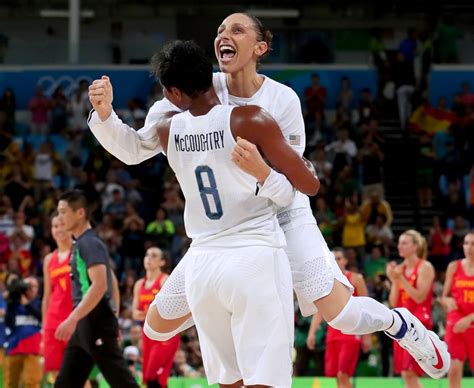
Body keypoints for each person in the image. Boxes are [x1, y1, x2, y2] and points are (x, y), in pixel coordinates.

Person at [88, 13, 450, 380]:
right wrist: (105, 116)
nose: (224, 35)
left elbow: (296, 180)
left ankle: (400, 324)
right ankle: (230, 313)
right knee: (159, 325)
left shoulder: (282, 99)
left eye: (237, 30)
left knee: (341, 315)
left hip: (283, 213)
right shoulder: (194, 87)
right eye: (219, 30)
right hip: (226, 236)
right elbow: (136, 149)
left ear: (260, 47)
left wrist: (262, 171)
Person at [144, 40, 319, 387]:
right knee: (265, 381)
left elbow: (128, 144)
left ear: (173, 93)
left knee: (229, 382)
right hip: (253, 256)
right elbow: (308, 185)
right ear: (211, 77)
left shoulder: (167, 130)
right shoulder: (248, 118)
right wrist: (264, 172)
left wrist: (103, 116)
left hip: (202, 266)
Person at [54, 190, 139, 388]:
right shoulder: (80, 244)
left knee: (122, 382)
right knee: (65, 383)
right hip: (85, 324)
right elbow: (111, 281)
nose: (59, 217)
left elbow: (100, 285)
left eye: (63, 212)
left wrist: (73, 318)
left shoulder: (89, 243)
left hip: (96, 321)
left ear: (80, 213)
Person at [306, 248, 371, 388]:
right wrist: (312, 332)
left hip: (352, 334)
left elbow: (366, 307)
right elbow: (320, 311)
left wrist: (367, 336)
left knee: (343, 375)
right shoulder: (326, 281)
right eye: (333, 258)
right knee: (336, 376)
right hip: (333, 335)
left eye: (339, 258)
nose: (336, 261)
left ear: (346, 261)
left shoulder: (356, 278)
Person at [387, 230, 435, 388]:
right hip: (401, 325)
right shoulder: (400, 269)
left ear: (415, 247)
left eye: (404, 243)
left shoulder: (425, 267)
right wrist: (394, 280)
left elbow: (419, 297)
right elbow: (394, 302)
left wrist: (400, 278)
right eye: (399, 242)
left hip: (419, 324)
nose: (399, 246)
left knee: (410, 373)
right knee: (405, 374)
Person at [132, 247, 180, 388]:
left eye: (154, 256)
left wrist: (145, 314)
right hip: (147, 334)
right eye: (147, 255)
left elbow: (169, 310)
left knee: (153, 375)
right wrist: (146, 314)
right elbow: (135, 312)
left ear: (162, 262)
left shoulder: (165, 280)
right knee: (150, 379)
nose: (149, 258)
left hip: (165, 335)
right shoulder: (139, 284)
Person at [439, 231, 474, 388]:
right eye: (466, 243)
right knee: (453, 370)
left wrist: (469, 319)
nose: (469, 247)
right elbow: (443, 297)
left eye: (473, 244)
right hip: (456, 323)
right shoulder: (454, 266)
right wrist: (447, 301)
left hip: (469, 322)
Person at [41, 212, 73, 382]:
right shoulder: (49, 260)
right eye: (55, 226)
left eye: (62, 225)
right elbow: (47, 296)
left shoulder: (79, 253)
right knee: (55, 372)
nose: (59, 229)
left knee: (77, 373)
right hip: (53, 322)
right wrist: (44, 325)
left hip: (73, 320)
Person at [4, 275, 42, 388]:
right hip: (14, 347)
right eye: (27, 285)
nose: (30, 289)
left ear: (38, 288)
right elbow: (9, 322)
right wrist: (11, 302)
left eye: (33, 286)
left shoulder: (40, 302)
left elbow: (42, 317)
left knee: (31, 382)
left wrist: (26, 304)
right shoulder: (14, 303)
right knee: (11, 383)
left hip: (33, 349)